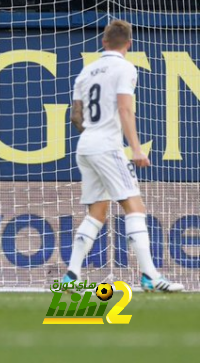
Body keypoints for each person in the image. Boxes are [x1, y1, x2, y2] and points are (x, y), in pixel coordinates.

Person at [63, 20, 183, 292]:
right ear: (129, 44)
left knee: (98, 210)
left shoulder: (86, 71)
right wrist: (137, 149)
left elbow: (76, 116)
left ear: (104, 42)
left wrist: (93, 132)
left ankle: (71, 274)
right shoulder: (125, 68)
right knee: (135, 207)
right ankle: (150, 276)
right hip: (107, 145)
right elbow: (125, 110)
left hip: (86, 145)